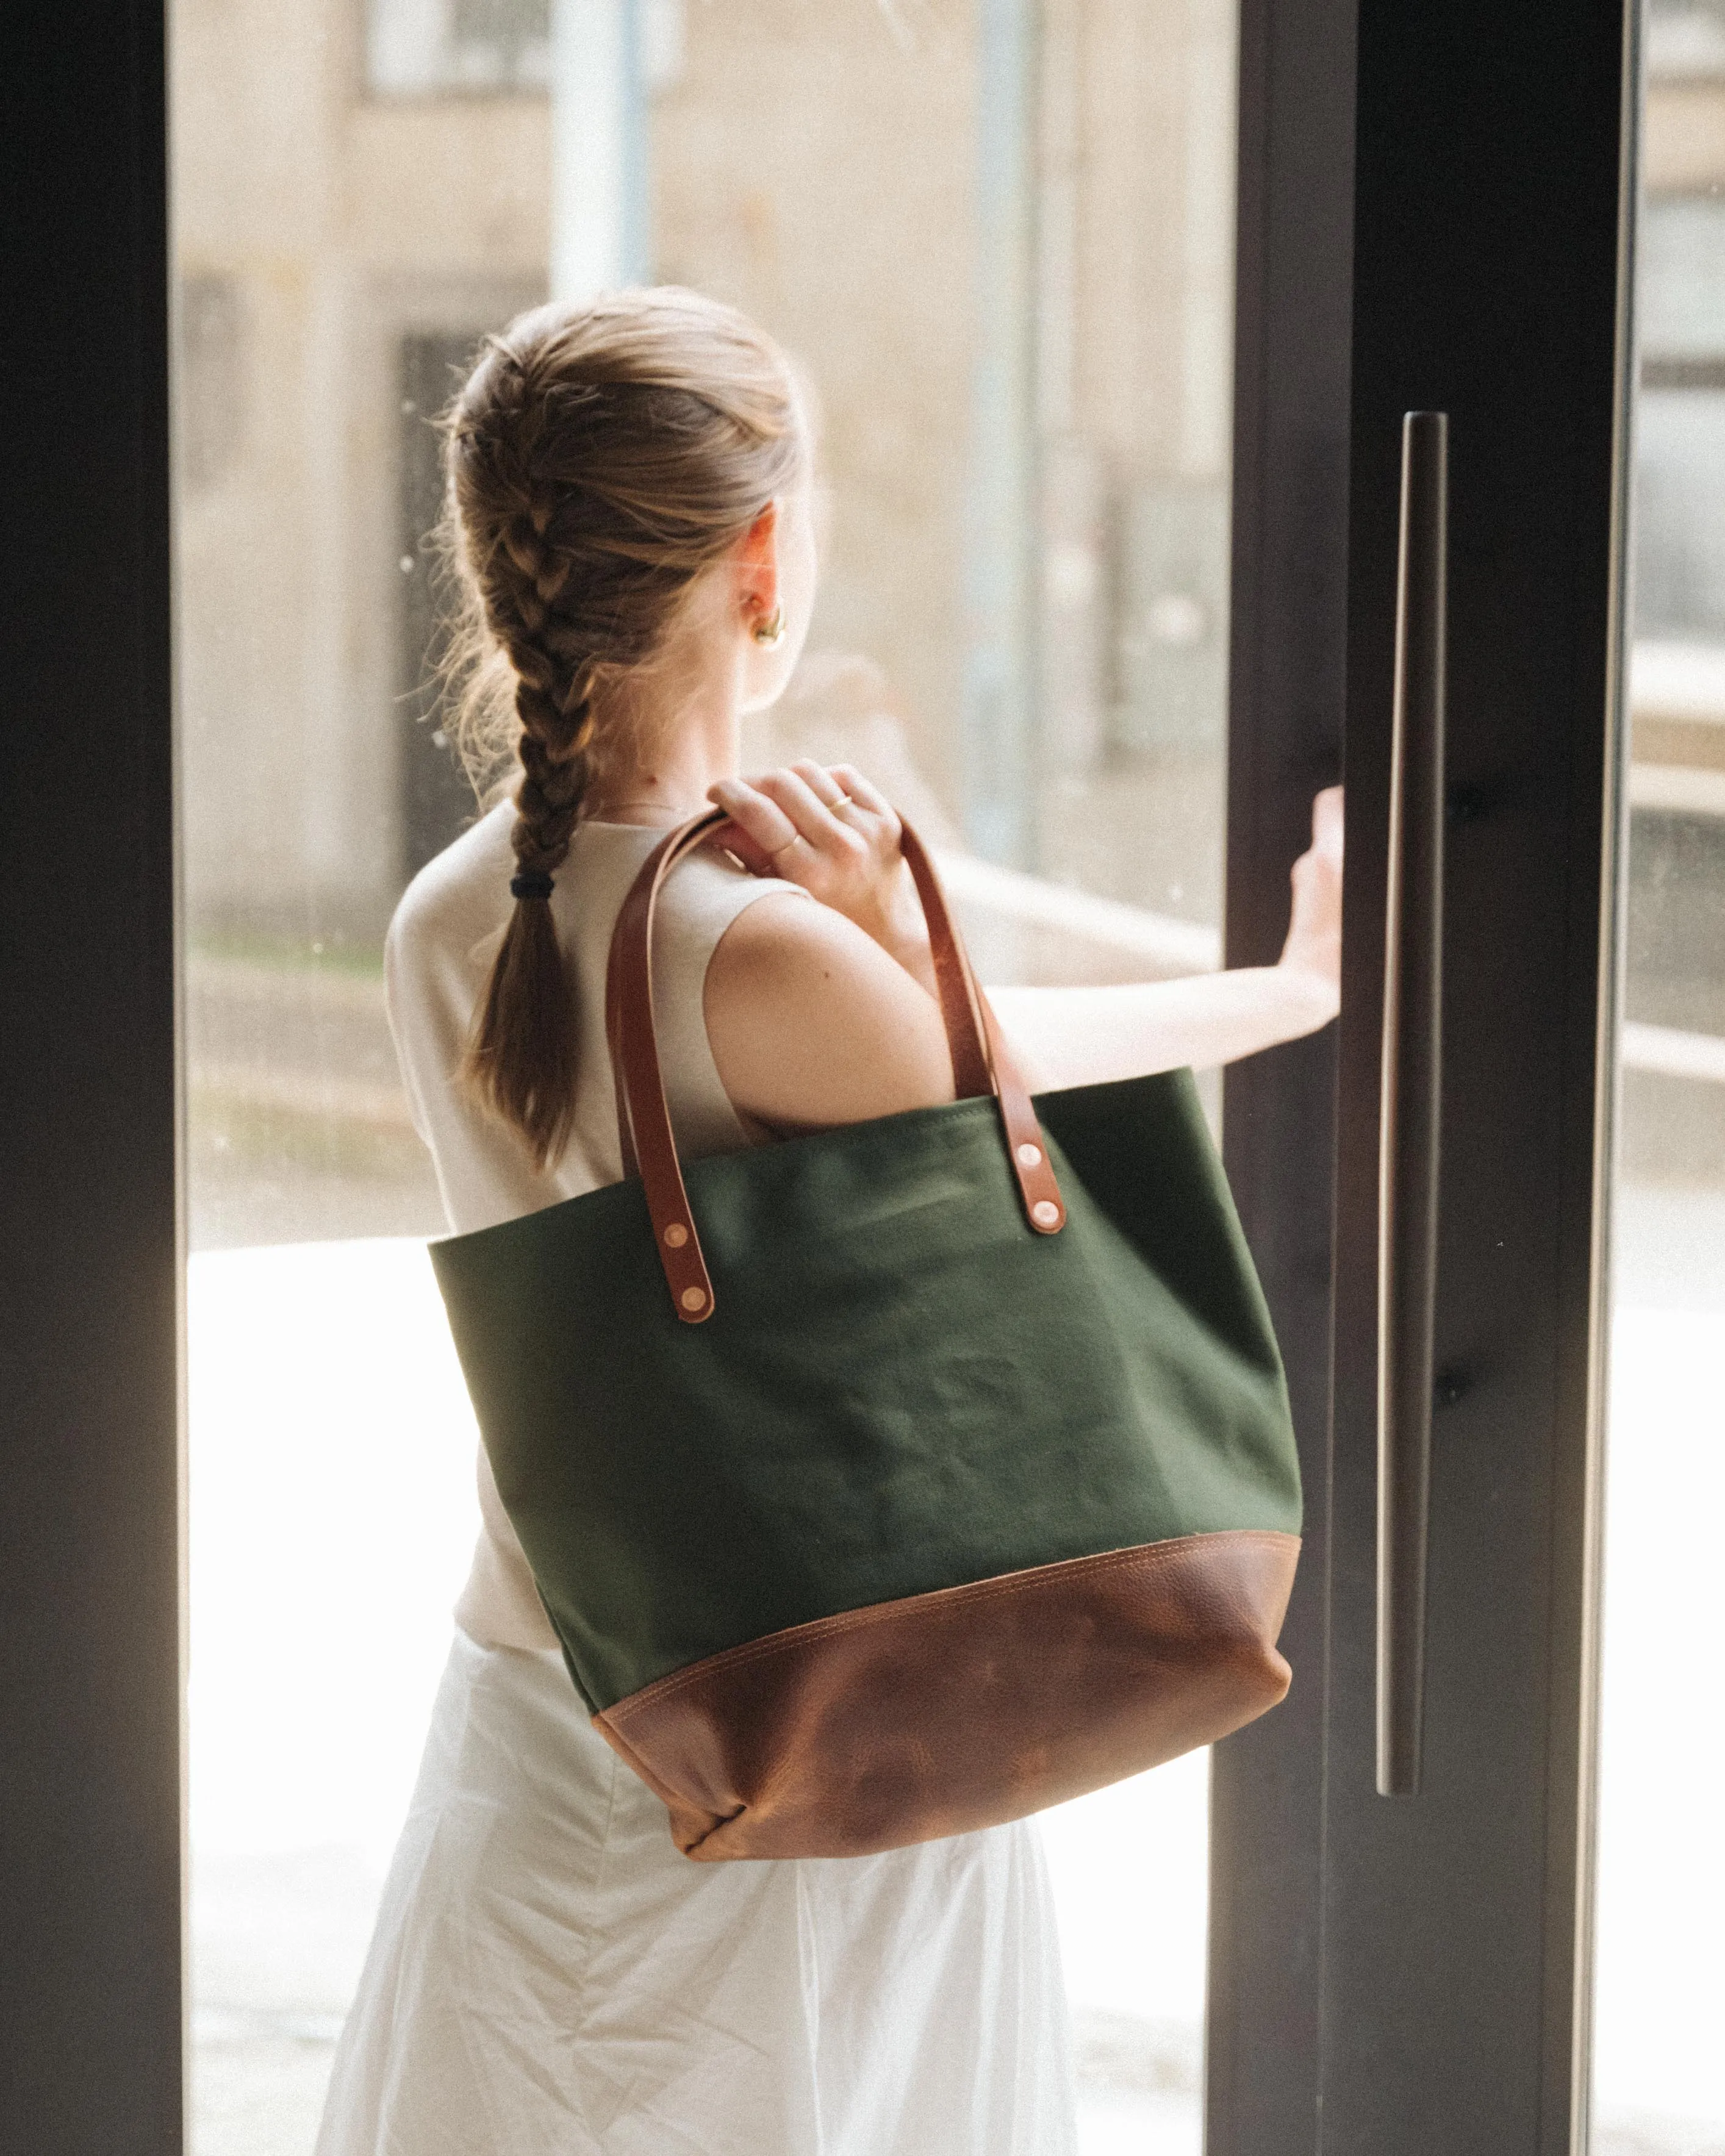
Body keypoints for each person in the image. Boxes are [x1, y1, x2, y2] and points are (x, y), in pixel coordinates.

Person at [315, 287, 1342, 2156]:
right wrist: (1258, 987)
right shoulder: (761, 950)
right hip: (805, 1742)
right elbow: (1014, 1119)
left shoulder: (447, 913)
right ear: (759, 561)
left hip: (540, 1738)